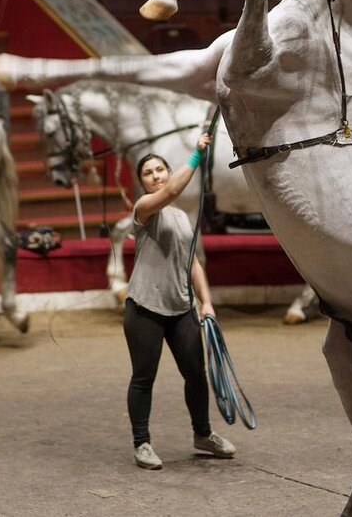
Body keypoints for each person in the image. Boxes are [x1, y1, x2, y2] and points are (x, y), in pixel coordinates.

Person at [125, 132, 235, 470]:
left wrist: (207, 302)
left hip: (180, 307)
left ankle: (202, 434)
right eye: (149, 172)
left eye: (161, 169)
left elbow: (193, 262)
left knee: (196, 375)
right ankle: (141, 443)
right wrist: (196, 155)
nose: (157, 176)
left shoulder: (182, 218)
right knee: (144, 378)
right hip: (144, 307)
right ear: (142, 183)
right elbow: (173, 189)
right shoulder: (144, 209)